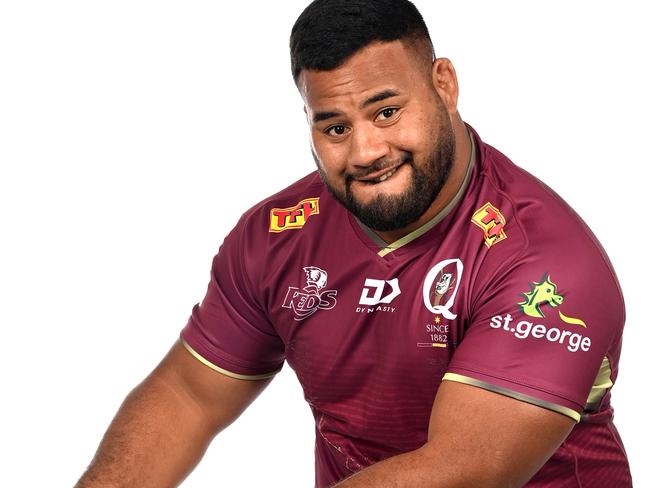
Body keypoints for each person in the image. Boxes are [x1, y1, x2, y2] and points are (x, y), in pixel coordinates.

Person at [75, 0, 632, 486]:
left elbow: (462, 472)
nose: (365, 152)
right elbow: (188, 397)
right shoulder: (275, 238)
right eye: (334, 127)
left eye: (386, 112)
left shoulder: (543, 258)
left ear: (444, 84)